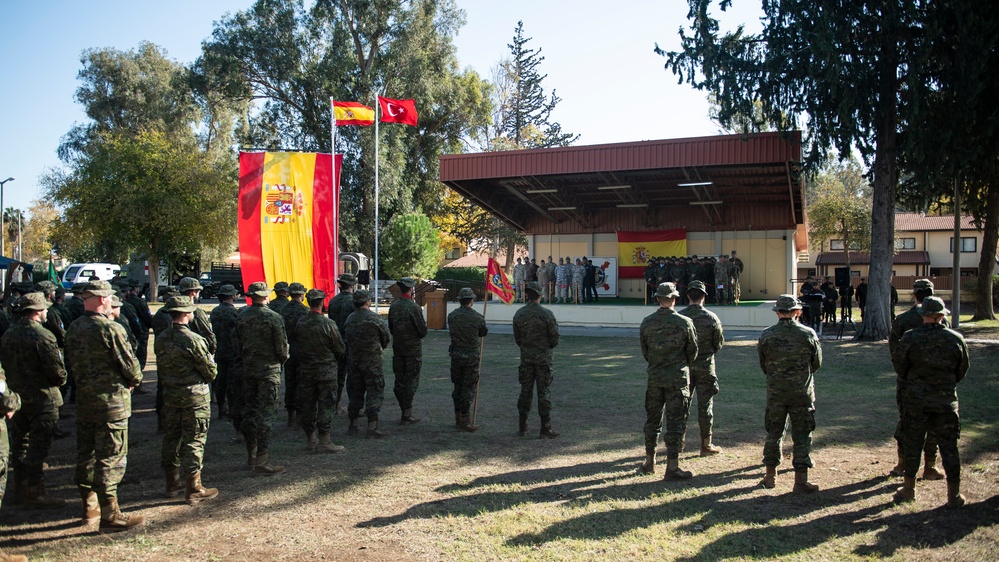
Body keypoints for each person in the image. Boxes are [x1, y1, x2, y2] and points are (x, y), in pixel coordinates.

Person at [65, 280, 144, 529]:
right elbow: (130, 366)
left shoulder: (74, 327)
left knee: (86, 454)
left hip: (86, 401)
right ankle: (110, 513)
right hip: (112, 402)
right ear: (101, 299)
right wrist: (134, 380)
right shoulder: (111, 329)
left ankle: (89, 508)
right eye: (109, 297)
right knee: (111, 456)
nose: (111, 301)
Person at [891, 296, 968, 507]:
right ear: (942, 316)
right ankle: (954, 495)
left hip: (916, 400)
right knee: (949, 447)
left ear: (923, 315)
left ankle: (909, 489)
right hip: (945, 402)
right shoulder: (955, 339)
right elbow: (961, 370)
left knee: (913, 443)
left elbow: (900, 368)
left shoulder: (909, 338)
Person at [3, 292, 68, 508]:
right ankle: (36, 492)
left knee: (19, 444)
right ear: (37, 311)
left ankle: (20, 488)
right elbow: (57, 373)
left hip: (17, 399)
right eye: (44, 309)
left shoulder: (8, 334)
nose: (47, 312)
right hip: (42, 399)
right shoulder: (43, 336)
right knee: (38, 447)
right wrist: (62, 378)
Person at [155, 296, 219, 504]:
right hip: (194, 397)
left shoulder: (161, 338)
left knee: (172, 437)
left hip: (171, 395)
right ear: (186, 314)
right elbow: (210, 372)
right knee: (194, 439)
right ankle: (194, 487)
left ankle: (171, 483)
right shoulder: (194, 340)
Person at [758, 294, 822, 493]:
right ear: (797, 312)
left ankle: (770, 476)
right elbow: (816, 363)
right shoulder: (808, 334)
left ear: (777, 312)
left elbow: (764, 364)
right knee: (802, 435)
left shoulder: (767, 335)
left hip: (776, 393)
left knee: (774, 433)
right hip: (801, 393)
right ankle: (800, 481)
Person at [888, 279, 948, 480]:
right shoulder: (942, 320)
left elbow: (895, 350)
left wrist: (904, 374)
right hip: (938, 384)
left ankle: (903, 465)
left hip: (910, 382)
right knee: (933, 423)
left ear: (914, 295)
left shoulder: (904, 320)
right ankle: (930, 466)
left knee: (908, 422)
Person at [639, 282, 698, 479]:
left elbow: (645, 351)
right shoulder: (684, 323)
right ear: (674, 299)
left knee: (652, 421)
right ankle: (672, 467)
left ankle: (650, 461)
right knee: (675, 423)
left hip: (655, 377)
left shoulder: (647, 322)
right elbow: (693, 352)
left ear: (657, 299)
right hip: (677, 380)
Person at [235, 282, 288, 475]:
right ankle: (263, 460)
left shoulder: (242, 316)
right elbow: (281, 349)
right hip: (268, 372)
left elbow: (239, 344)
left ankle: (251, 455)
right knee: (266, 414)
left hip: (248, 369)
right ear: (266, 296)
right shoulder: (274, 318)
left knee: (250, 411)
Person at [295, 289, 346, 453]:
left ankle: (311, 439)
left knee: (308, 404)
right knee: (326, 405)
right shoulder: (328, 324)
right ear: (322, 302)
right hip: (326, 372)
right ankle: (324, 440)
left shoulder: (301, 323)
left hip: (306, 371)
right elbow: (339, 349)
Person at [679, 281, 724, 456]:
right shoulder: (712, 318)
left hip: (685, 368)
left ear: (688, 295)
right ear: (704, 296)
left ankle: (679, 445)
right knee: (706, 407)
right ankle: (706, 444)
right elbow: (718, 344)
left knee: (682, 407)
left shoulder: (681, 318)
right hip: (706, 367)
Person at [513, 281, 560, 438]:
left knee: (525, 391)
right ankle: (545, 428)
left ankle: (523, 426)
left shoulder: (519, 314)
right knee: (543, 392)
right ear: (540, 295)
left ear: (527, 295)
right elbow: (554, 339)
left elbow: (518, 339)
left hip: (526, 359)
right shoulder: (547, 314)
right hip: (543, 360)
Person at [344, 289, 391, 438]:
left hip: (354, 362)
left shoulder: (349, 319)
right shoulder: (375, 319)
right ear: (367, 302)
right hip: (372, 363)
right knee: (374, 392)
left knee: (355, 393)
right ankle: (372, 427)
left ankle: (353, 425)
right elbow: (386, 339)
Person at [447, 288, 488, 432]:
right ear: (472, 300)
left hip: (456, 356)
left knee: (457, 387)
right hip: (471, 357)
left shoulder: (452, 316)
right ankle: (465, 420)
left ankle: (458, 418)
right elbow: (483, 332)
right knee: (468, 388)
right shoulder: (477, 317)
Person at [388, 277, 428, 424]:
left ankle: (404, 411)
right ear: (411, 289)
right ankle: (407, 413)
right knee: (411, 381)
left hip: (398, 349)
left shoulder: (394, 306)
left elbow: (391, 328)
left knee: (400, 380)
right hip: (412, 351)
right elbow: (422, 331)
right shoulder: (414, 307)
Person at [209, 284, 240, 421]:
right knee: (232, 382)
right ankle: (232, 409)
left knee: (220, 381)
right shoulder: (235, 313)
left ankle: (222, 408)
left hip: (219, 351)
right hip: (232, 351)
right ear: (232, 296)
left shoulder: (215, 311)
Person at [327, 273, 357, 415]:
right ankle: (353, 405)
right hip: (350, 342)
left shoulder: (333, 301)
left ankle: (336, 403)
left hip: (335, 341)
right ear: (352, 285)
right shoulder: (354, 302)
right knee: (352, 376)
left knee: (338, 374)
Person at [280, 282, 309, 427]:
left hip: (288, 351)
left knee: (290, 382)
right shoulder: (305, 311)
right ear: (301, 294)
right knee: (301, 383)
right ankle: (299, 415)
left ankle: (290, 415)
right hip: (302, 351)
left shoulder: (283, 311)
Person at [124, 279, 153, 370]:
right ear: (135, 288)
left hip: (127, 333)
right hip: (141, 333)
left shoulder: (125, 302)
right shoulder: (140, 302)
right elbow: (148, 318)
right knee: (139, 359)